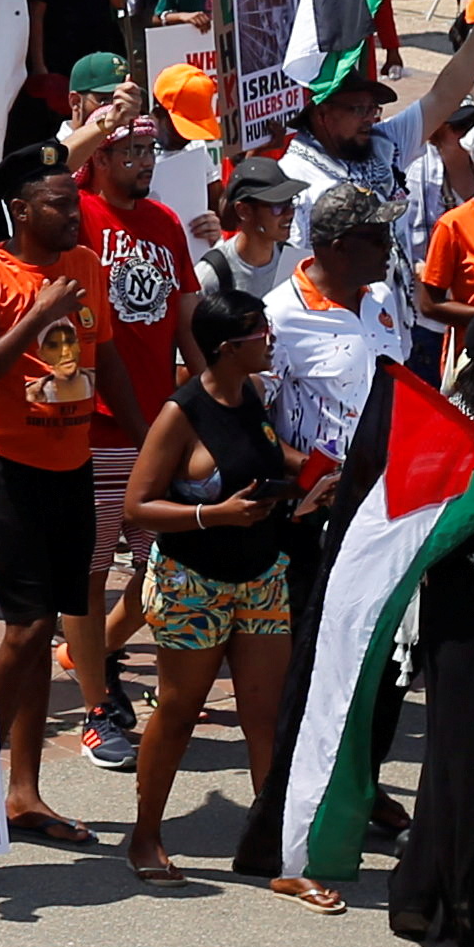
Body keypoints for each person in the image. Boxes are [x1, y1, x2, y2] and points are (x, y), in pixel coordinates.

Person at [113, 281, 315, 893]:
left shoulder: (251, 394)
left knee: (264, 717)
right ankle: (145, 836)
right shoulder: (182, 412)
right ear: (228, 347)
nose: (270, 339)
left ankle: (272, 851)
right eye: (260, 331)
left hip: (260, 577)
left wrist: (327, 479)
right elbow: (137, 507)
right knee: (176, 711)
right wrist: (214, 515)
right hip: (191, 582)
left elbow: (279, 461)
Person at [0, 154, 108, 851]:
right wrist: (36, 315)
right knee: (26, 627)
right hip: (2, 466)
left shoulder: (87, 265)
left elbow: (103, 358)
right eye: (57, 204)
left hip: (72, 465)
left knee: (47, 632)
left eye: (74, 202)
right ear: (20, 207)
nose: (72, 215)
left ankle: (23, 794)